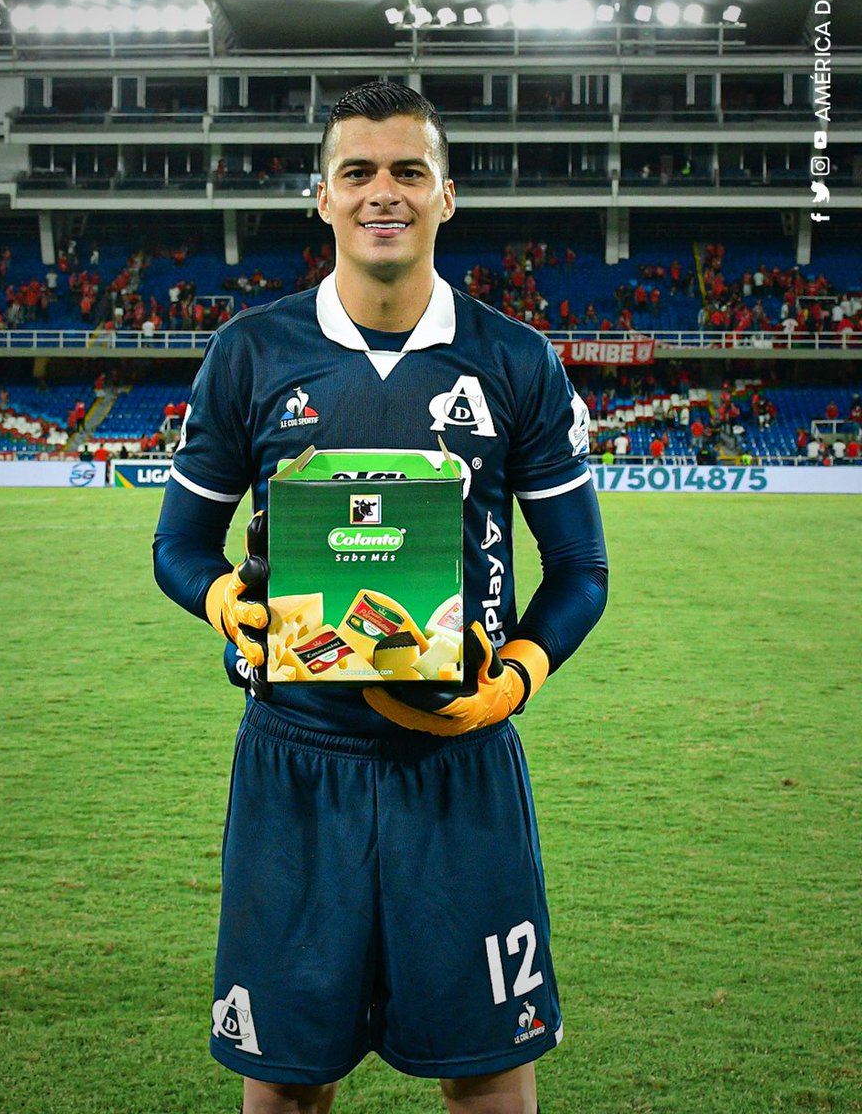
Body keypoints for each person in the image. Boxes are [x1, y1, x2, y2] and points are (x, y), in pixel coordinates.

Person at [153, 81, 608, 1114]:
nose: (382, 192)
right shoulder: (251, 352)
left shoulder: (517, 360)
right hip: (295, 763)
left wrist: (519, 678)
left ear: (448, 195)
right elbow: (179, 544)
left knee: (488, 1072)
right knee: (285, 1082)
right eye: (357, 171)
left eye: (409, 170)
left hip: (460, 769)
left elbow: (581, 572)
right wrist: (226, 600)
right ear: (321, 197)